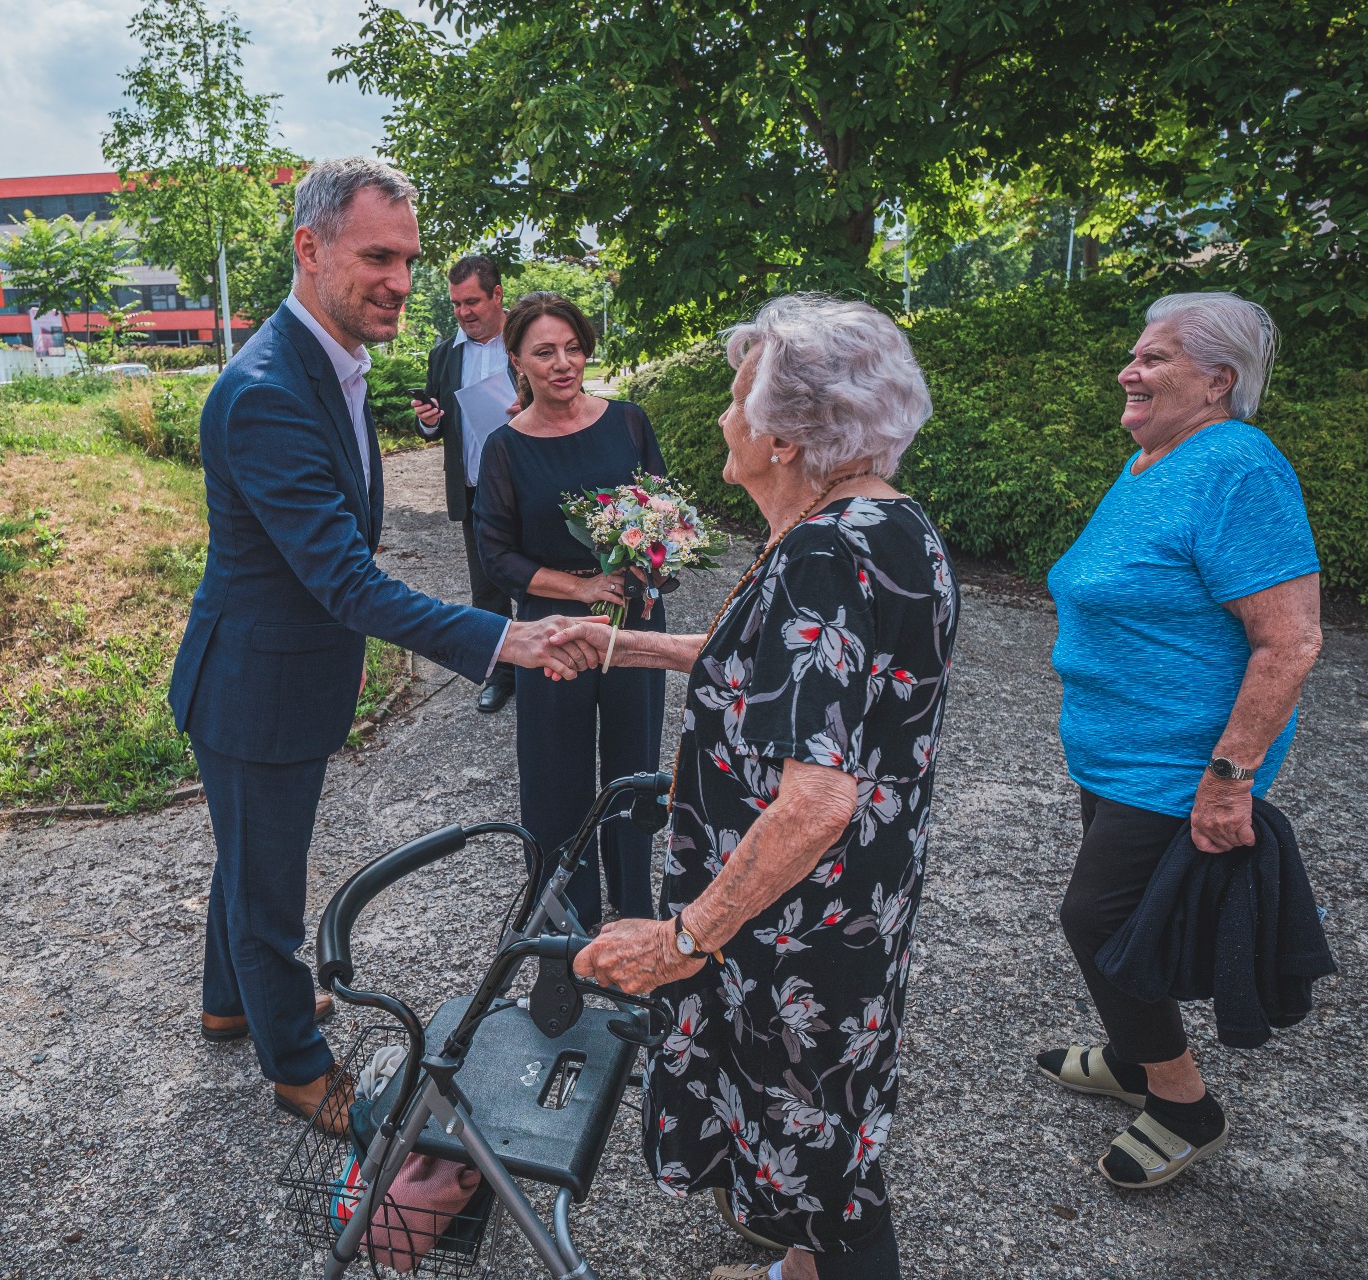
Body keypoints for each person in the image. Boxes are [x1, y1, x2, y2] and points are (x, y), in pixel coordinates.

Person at [166, 157, 605, 1133]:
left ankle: (230, 1002)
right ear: (309, 248)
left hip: (274, 675)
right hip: (253, 688)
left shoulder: (326, 360)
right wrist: (508, 638)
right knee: (268, 888)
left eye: (408, 259)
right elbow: (348, 582)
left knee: (248, 856)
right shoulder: (269, 389)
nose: (402, 281)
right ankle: (295, 1065)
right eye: (377, 257)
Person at [561, 293, 957, 1279]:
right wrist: (621, 645)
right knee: (823, 1125)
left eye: (739, 399)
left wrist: (679, 939)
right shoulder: (887, 521)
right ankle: (796, 1271)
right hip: (852, 902)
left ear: (784, 438)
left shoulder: (824, 549)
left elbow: (816, 800)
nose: (721, 417)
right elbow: (777, 668)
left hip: (796, 926)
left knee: (828, 1169)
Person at [1035, 291, 1323, 1188]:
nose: (1129, 370)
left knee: (1095, 917)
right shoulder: (1151, 461)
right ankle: (1133, 1055)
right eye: (1135, 354)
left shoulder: (1237, 465)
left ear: (1218, 380)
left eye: (1154, 358)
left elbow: (1291, 640)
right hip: (1113, 751)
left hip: (1180, 761)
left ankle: (1182, 1103)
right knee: (1130, 921)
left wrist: (1230, 780)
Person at [472, 291, 668, 925]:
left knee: (634, 769)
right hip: (552, 631)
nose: (563, 363)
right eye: (545, 352)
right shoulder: (504, 448)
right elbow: (496, 556)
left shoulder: (629, 422)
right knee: (556, 779)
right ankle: (567, 927)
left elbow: (663, 514)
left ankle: (633, 913)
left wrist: (645, 563)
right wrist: (580, 589)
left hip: (633, 621)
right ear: (517, 361)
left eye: (573, 348)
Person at [411, 255, 517, 713]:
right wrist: (428, 421)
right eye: (456, 304)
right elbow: (434, 424)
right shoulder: (444, 354)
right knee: (488, 588)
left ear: (497, 295)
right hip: (476, 490)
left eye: (471, 301)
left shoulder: (527, 338)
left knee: (544, 582)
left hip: (532, 487)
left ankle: (551, 666)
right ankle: (502, 673)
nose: (463, 312)